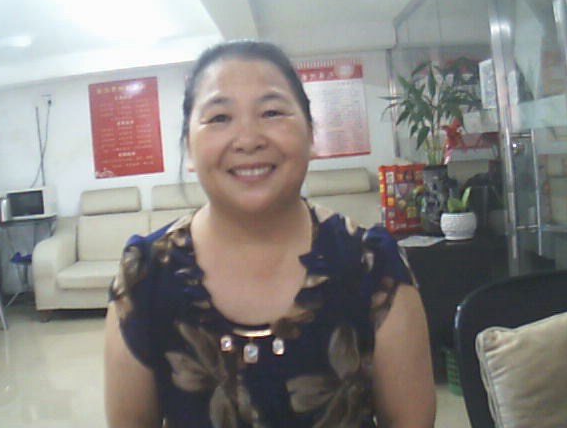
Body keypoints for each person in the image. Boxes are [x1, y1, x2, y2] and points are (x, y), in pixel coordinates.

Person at [104, 40, 435, 427]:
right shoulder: (146, 275)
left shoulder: (373, 267)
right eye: (219, 117)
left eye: (272, 112)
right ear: (188, 150)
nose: (248, 140)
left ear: (311, 135)